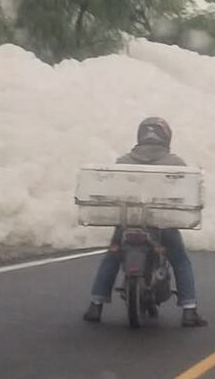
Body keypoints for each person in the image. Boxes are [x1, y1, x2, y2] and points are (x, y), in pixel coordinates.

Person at [82, 117, 207, 327]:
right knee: (180, 261)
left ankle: (96, 305)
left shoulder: (122, 162)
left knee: (112, 257)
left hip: (127, 224)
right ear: (166, 137)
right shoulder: (176, 164)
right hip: (163, 226)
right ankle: (189, 309)